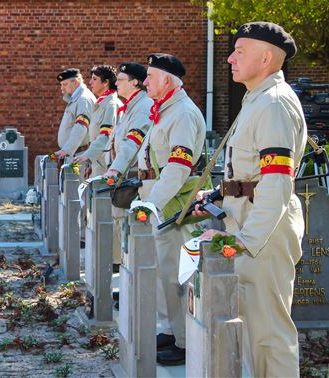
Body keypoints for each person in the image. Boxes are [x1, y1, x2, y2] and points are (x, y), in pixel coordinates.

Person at [194, 22, 306, 377]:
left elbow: (276, 185)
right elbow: (251, 174)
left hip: (263, 235)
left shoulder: (273, 104)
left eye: (239, 51)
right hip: (250, 228)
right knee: (254, 335)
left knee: (268, 336)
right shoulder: (257, 100)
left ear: (267, 57)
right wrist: (217, 194)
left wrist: (245, 241)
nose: (229, 58)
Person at [137, 53, 206, 366]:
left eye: (150, 76)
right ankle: (172, 329)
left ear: (167, 79)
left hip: (173, 204)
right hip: (162, 199)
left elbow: (178, 167)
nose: (145, 81)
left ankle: (185, 341)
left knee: (178, 276)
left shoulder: (182, 114)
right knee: (165, 274)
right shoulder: (166, 110)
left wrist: (153, 204)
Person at [103, 62, 153, 271]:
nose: (116, 83)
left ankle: (128, 273)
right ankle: (123, 269)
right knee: (120, 224)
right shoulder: (130, 106)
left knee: (127, 228)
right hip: (121, 174)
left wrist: (115, 169)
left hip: (129, 176)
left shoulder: (142, 107)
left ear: (135, 83)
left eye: (121, 80)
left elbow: (131, 142)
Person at [72, 65, 122, 177]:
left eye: (95, 79)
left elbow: (106, 136)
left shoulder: (111, 105)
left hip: (106, 164)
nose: (90, 82)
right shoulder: (101, 104)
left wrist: (88, 155)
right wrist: (90, 162)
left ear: (105, 83)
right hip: (98, 162)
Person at [55, 68, 96, 160]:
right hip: (74, 153)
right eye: (61, 85)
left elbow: (81, 127)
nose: (62, 88)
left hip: (79, 154)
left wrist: (67, 150)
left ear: (76, 82)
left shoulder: (83, 99)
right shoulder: (76, 98)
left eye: (64, 84)